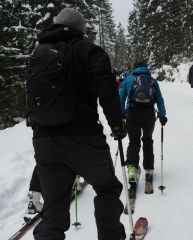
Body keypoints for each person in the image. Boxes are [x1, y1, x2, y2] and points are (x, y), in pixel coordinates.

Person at [27, 8, 126, 240]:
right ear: (80, 30)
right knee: (107, 188)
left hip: (44, 141)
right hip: (83, 138)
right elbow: (107, 91)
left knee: (54, 206)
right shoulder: (90, 51)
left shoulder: (38, 53)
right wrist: (117, 125)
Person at [119, 59, 167, 193]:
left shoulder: (128, 80)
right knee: (147, 140)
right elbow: (160, 100)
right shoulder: (152, 81)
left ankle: (133, 171)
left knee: (133, 142)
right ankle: (149, 170)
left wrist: (122, 114)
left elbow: (120, 99)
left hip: (132, 115)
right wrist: (162, 115)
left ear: (133, 67)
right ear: (146, 68)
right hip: (149, 115)